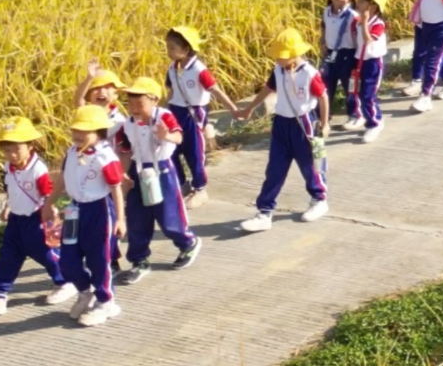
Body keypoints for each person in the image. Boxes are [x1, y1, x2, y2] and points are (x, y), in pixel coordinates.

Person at [234, 28, 330, 232]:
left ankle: (319, 199)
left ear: (294, 54)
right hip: (281, 124)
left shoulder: (309, 73)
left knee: (309, 165)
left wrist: (324, 122)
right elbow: (268, 89)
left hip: (303, 124)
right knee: (275, 169)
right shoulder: (278, 70)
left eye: (282, 56)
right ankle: (264, 212)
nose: (278, 59)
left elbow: (323, 97)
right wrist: (249, 108)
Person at [0, 118, 74, 316]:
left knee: (46, 252)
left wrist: (51, 210)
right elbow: (10, 189)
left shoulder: (38, 169)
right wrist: (7, 206)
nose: (11, 155)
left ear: (30, 146)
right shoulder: (8, 167)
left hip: (36, 217)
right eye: (6, 150)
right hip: (16, 219)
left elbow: (48, 192)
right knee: (8, 255)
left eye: (16, 149)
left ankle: (66, 281)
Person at [114, 77, 197, 282]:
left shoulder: (164, 116)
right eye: (130, 103)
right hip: (137, 170)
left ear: (154, 100)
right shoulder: (127, 124)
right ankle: (139, 261)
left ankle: (187, 244)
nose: (134, 108)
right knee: (136, 218)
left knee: (168, 217)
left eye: (139, 103)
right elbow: (126, 150)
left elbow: (179, 137)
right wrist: (123, 173)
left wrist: (165, 135)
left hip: (162, 170)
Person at [53, 104, 126, 326]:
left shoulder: (106, 157)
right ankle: (85, 292)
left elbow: (116, 189)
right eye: (75, 130)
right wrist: (51, 203)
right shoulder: (71, 152)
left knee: (99, 259)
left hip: (99, 210)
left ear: (99, 132)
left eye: (84, 131)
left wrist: (121, 219)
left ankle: (106, 302)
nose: (78, 135)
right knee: (68, 259)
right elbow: (64, 179)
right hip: (75, 209)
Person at [164, 26, 236, 207]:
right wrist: (162, 113)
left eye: (172, 48)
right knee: (170, 150)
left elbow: (216, 90)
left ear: (186, 48)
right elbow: (171, 92)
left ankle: (200, 189)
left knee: (194, 153)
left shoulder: (198, 70)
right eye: (168, 47)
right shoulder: (172, 68)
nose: (169, 52)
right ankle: (182, 183)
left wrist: (234, 109)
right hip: (175, 112)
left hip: (193, 114)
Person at [319, 0, 361, 127]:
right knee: (325, 85)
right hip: (330, 53)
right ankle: (324, 117)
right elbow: (324, 28)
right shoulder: (326, 12)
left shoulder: (354, 15)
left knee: (349, 85)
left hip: (348, 54)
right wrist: (322, 43)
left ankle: (354, 115)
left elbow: (357, 36)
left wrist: (358, 58)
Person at [350, 0, 391, 139]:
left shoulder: (377, 23)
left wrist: (365, 22)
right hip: (361, 61)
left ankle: (375, 122)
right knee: (360, 94)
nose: (357, 4)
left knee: (368, 95)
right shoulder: (358, 22)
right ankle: (373, 119)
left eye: (361, 2)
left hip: (373, 63)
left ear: (372, 6)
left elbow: (367, 40)